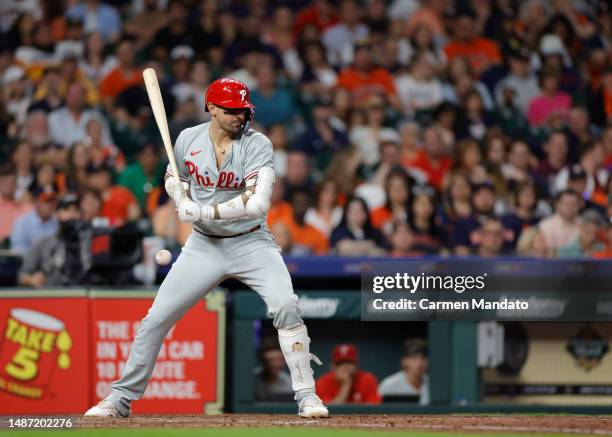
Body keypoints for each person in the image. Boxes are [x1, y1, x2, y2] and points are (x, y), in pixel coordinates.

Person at [85, 78, 328, 418]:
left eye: (243, 111)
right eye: (231, 111)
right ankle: (120, 399)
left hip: (251, 241)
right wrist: (177, 193)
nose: (239, 117)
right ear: (211, 109)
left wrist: (200, 210)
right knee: (155, 320)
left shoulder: (258, 144)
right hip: (203, 245)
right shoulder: (187, 139)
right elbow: (174, 175)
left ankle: (307, 396)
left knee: (286, 305)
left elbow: (257, 204)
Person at [18, 193, 85, 287]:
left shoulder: (87, 243)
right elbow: (22, 276)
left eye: (76, 210)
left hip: (80, 296)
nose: (72, 214)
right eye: (67, 210)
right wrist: (32, 280)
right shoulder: (43, 243)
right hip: (51, 296)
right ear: (57, 214)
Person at [316, 343, 381, 404]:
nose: (345, 366)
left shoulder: (368, 380)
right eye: (340, 363)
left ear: (356, 365)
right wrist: (346, 385)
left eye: (349, 362)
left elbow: (374, 410)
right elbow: (329, 411)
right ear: (332, 367)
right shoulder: (323, 382)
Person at [379, 339, 430, 405]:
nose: (420, 363)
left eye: (423, 357)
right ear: (404, 361)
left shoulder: (434, 384)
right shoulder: (388, 385)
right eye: (414, 357)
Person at [10, 186, 58, 254]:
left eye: (52, 200)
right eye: (46, 201)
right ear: (36, 202)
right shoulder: (22, 224)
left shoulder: (58, 223)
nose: (50, 204)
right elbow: (18, 253)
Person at [254, 337, 294, 401]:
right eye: (270, 360)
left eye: (279, 360)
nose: (275, 364)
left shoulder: (289, 382)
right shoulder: (253, 379)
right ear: (263, 360)